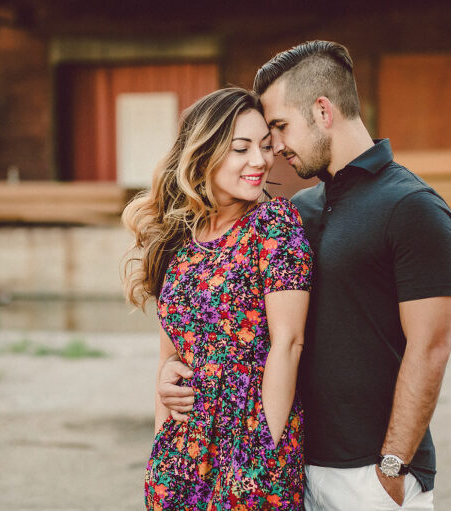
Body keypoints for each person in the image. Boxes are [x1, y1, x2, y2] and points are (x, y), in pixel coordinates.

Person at [159, 41, 451, 510]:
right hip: (293, 464)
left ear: (323, 111)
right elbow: (232, 318)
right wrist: (175, 378)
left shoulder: (412, 208)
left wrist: (392, 468)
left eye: (278, 128)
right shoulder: (299, 210)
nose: (274, 149)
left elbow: (431, 347)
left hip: (368, 474)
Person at [122, 87, 313, 510]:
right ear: (204, 153)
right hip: (182, 451)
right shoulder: (179, 241)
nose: (261, 161)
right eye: (241, 148)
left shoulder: (274, 225)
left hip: (252, 446)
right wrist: (160, 450)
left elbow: (289, 343)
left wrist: (267, 453)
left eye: (266, 147)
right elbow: (169, 361)